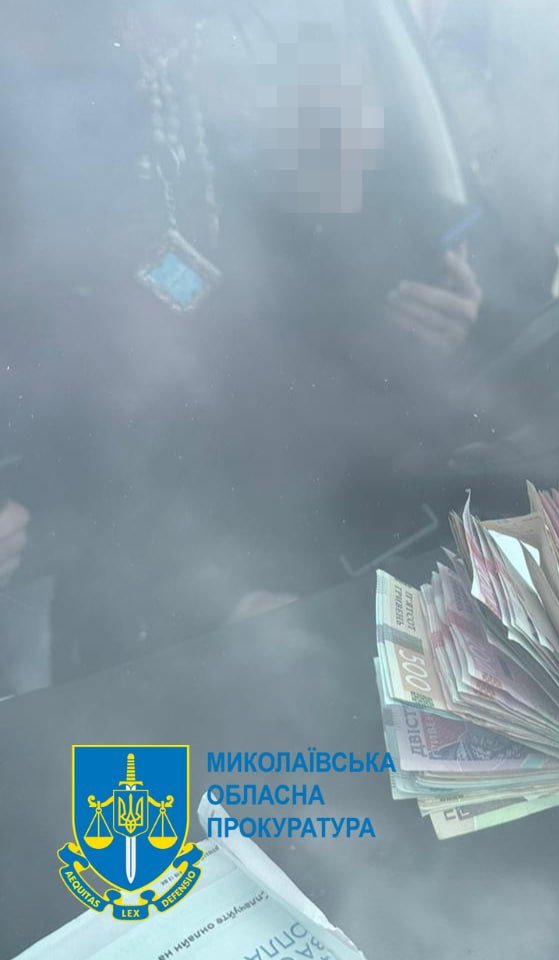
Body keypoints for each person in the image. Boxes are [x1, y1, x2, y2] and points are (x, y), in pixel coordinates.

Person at [0, 0, 484, 682]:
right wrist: (202, 603)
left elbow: (316, 339)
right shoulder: (41, 101)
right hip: (136, 597)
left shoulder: (245, 74)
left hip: (292, 565)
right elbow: (81, 422)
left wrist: (439, 328)